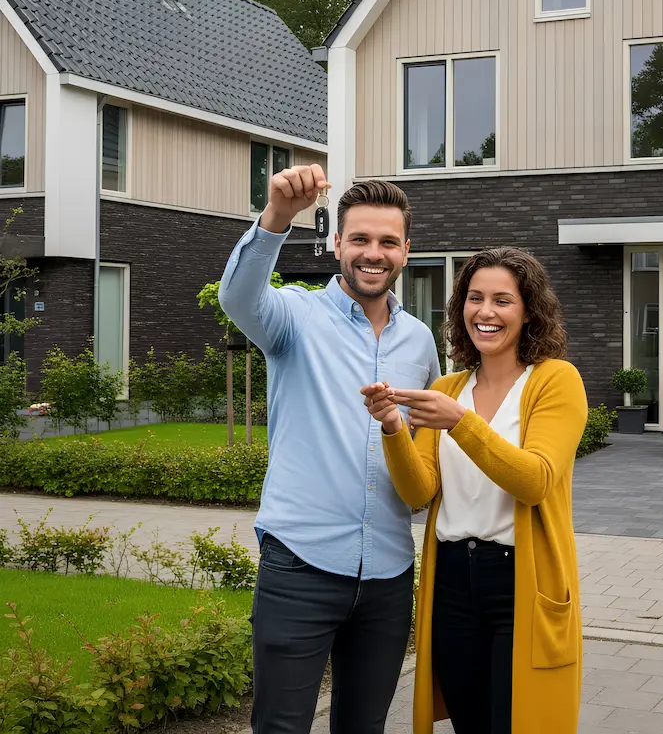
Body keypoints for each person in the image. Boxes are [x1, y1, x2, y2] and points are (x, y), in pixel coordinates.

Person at [218, 165, 440, 734]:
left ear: (406, 251)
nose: (373, 253)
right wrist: (275, 219)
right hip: (300, 567)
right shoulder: (294, 316)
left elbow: (425, 454)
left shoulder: (420, 342)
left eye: (388, 241)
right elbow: (238, 297)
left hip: (389, 575)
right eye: (360, 239)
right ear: (335, 243)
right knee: (282, 727)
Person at [361, 247, 587, 734]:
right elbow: (419, 492)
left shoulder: (555, 381)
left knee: (517, 721)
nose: (485, 312)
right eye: (475, 298)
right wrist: (394, 428)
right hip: (452, 583)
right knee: (470, 721)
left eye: (503, 300)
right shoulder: (447, 388)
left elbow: (536, 480)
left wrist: (462, 424)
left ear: (529, 311)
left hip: (519, 581)